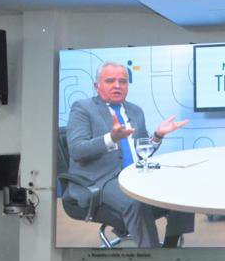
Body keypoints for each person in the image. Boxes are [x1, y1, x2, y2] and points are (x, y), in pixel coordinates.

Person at [65, 61, 194, 247]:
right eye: (110, 81)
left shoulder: (135, 110)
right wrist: (111, 138)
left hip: (137, 173)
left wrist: (158, 135)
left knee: (180, 187)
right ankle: (152, 256)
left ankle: (171, 245)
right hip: (102, 180)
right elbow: (77, 150)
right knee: (136, 201)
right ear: (97, 85)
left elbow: (142, 150)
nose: (117, 85)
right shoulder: (83, 108)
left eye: (123, 81)